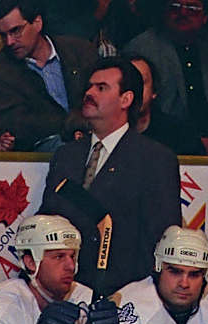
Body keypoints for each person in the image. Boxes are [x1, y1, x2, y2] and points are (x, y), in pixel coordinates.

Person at [39, 57, 182, 297]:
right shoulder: (66, 155)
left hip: (124, 296)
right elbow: (46, 221)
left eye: (101, 88)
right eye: (89, 86)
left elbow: (161, 239)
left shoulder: (155, 159)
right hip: (64, 294)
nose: (89, 93)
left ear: (126, 99)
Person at [124, 0, 208, 155]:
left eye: (192, 9)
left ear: (205, 17)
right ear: (165, 11)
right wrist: (195, 142)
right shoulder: (141, 49)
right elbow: (142, 114)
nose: (183, 13)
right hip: (165, 147)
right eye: (175, 7)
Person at [0, 215, 120, 324]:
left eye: (72, 256)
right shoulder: (3, 303)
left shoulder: (85, 297)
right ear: (30, 263)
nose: (71, 266)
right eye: (59, 257)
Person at [0, 0, 98, 151]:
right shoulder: (1, 71)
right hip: (44, 145)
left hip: (95, 130)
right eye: (3, 35)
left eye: (16, 31)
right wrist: (72, 123)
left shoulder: (80, 51)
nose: (9, 42)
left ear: (38, 23)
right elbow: (16, 124)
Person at [111, 226, 208, 324]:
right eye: (175, 272)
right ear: (158, 266)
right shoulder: (127, 303)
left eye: (194, 274)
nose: (184, 284)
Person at [128, 54, 205, 155]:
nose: (135, 90)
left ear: (154, 91)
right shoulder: (103, 133)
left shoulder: (180, 134)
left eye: (141, 82)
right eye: (128, 83)